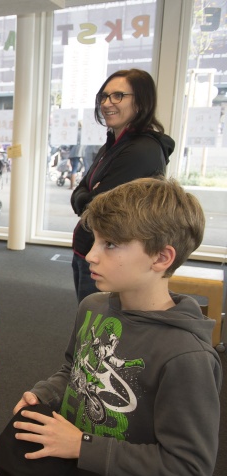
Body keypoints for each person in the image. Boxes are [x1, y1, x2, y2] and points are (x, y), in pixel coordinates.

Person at [11, 178, 221, 476]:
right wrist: (45, 393)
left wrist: (82, 446)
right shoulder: (93, 305)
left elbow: (190, 463)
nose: (91, 254)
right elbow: (72, 370)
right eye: (95, 240)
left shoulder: (186, 356)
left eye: (111, 244)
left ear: (161, 257)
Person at [71, 69, 175, 302]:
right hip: (91, 250)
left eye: (118, 96)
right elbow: (81, 193)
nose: (107, 103)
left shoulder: (142, 150)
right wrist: (87, 194)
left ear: (141, 102)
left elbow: (99, 207)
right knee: (89, 319)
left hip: (115, 259)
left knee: (104, 329)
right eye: (104, 97)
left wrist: (87, 195)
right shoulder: (111, 146)